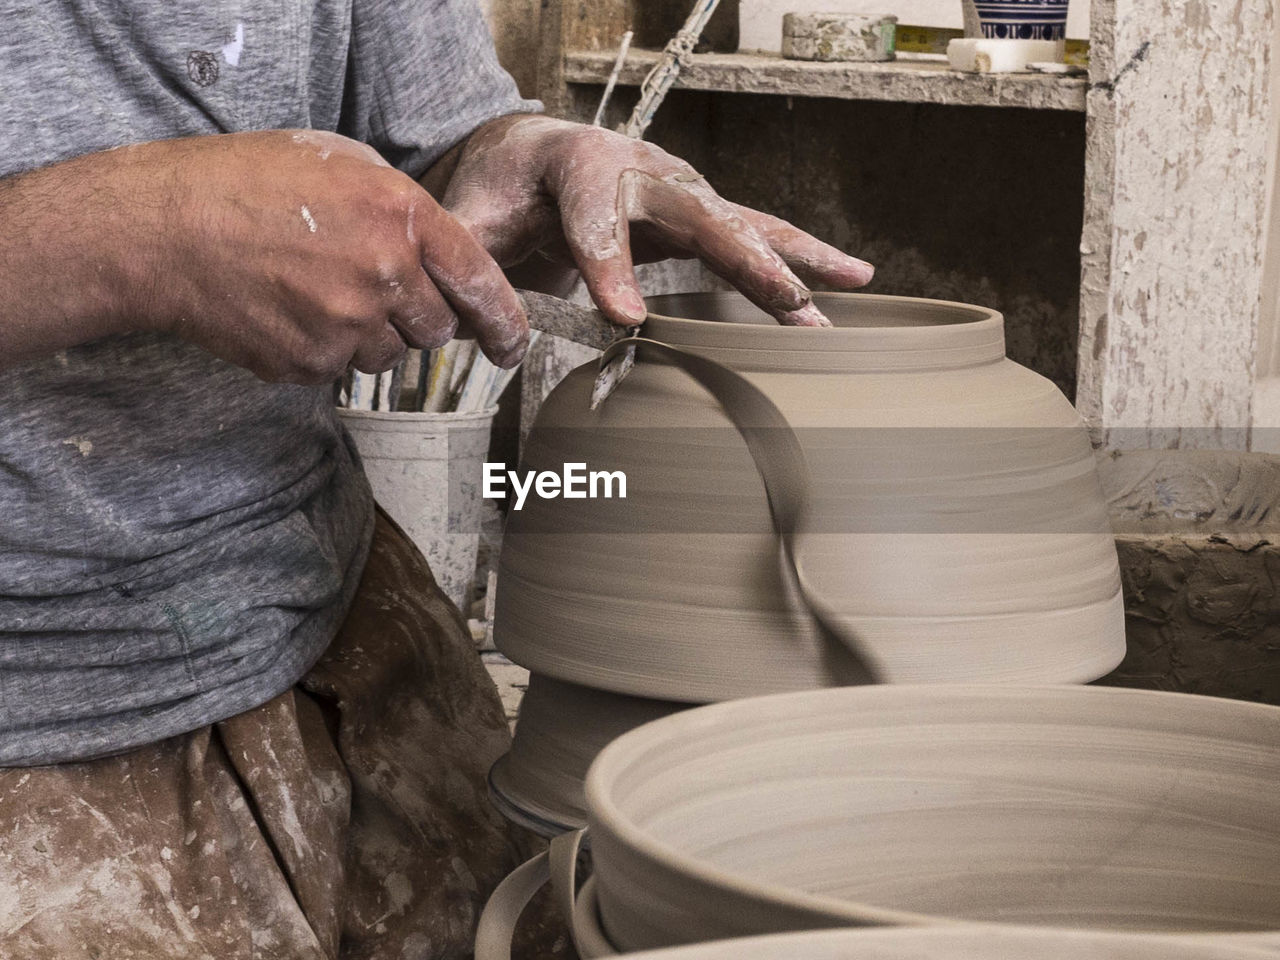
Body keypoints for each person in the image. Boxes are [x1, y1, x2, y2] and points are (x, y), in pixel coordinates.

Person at [0, 1, 874, 957]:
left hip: (321, 597)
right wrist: (135, 233)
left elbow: (431, 143)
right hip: (38, 698)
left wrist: (514, 155)